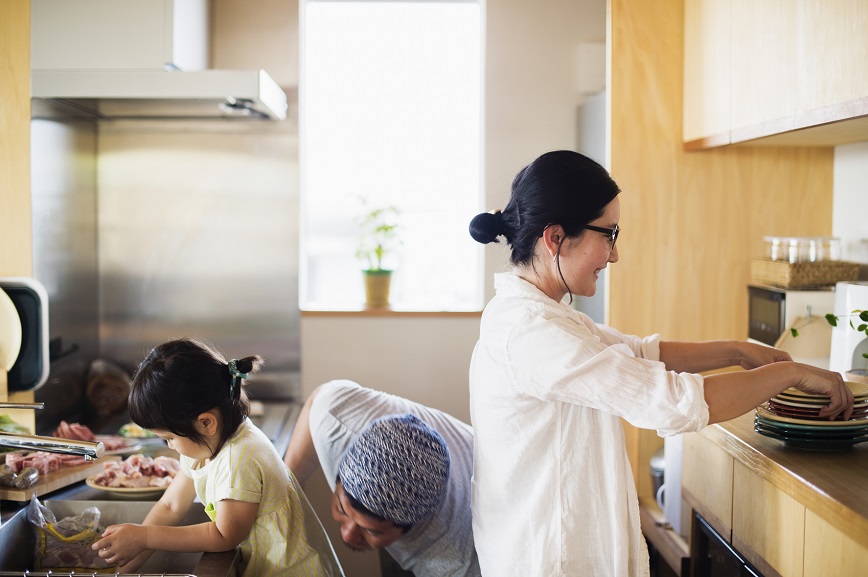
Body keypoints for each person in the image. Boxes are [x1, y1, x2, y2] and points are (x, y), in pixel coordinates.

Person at [466, 150, 855, 577]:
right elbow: (671, 403)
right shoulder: (532, 334)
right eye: (609, 234)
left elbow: (639, 352)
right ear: (555, 238)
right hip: (551, 561)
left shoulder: (541, 315)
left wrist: (739, 351)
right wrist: (791, 373)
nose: (614, 255)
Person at [92, 337, 344, 577]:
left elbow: (224, 536)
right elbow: (171, 506)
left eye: (169, 438)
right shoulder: (205, 444)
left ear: (205, 422)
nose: (169, 446)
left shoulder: (239, 458)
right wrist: (126, 565)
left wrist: (145, 537)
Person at [284, 379, 480, 577]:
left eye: (371, 531)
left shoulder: (453, 561)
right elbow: (318, 401)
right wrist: (285, 487)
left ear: (408, 528)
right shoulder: (337, 418)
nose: (347, 534)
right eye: (341, 509)